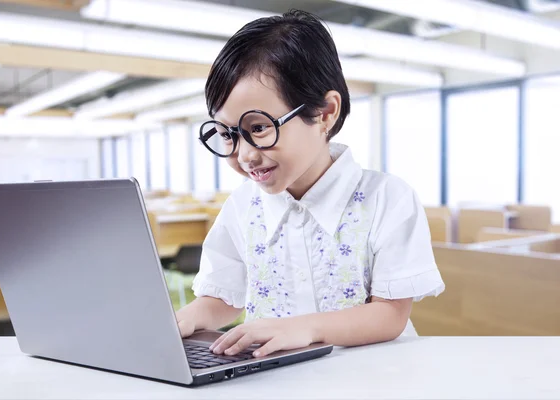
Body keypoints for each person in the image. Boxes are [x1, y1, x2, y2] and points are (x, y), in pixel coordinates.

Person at [176, 9, 444, 359]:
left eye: (258, 128)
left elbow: (390, 315)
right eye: (227, 134)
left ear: (325, 113)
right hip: (277, 380)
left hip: (371, 378)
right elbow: (222, 299)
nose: (244, 156)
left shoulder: (388, 199)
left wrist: (304, 327)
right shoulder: (241, 207)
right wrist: (178, 321)